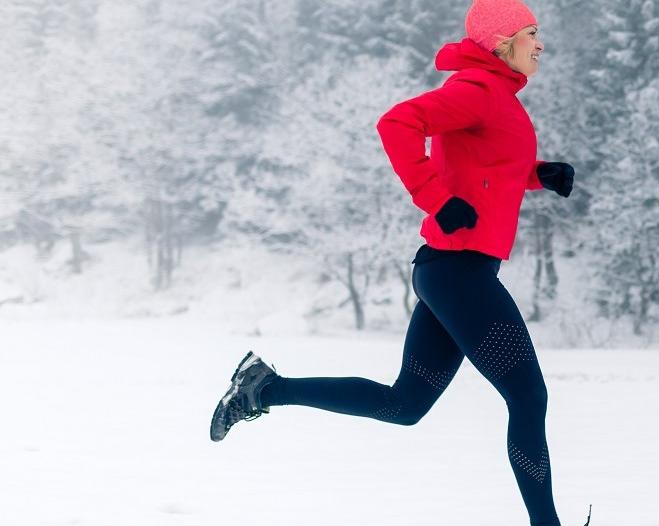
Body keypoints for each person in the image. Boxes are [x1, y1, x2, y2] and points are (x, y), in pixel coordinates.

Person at [209, 1, 580, 524]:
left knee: (405, 405)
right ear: (502, 43)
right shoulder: (476, 89)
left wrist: (540, 175)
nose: (540, 43)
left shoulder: (498, 98)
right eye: (531, 32)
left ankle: (264, 388)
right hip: (458, 272)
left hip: (452, 272)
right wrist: (433, 197)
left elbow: (486, 169)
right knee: (528, 397)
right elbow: (398, 122)